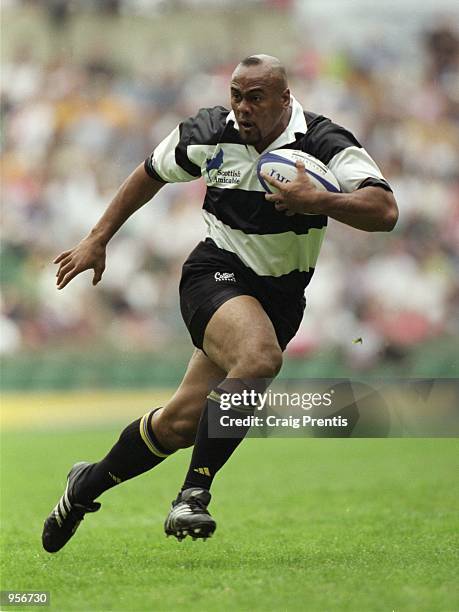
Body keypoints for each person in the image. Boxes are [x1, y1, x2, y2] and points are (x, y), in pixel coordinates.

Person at [42, 54, 398, 552]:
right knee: (260, 357)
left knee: (181, 423)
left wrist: (320, 201)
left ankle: (85, 487)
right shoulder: (208, 131)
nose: (242, 108)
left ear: (284, 99)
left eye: (255, 98)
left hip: (281, 296)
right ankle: (194, 494)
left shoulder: (322, 140)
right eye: (236, 95)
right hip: (214, 273)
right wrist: (97, 238)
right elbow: (149, 172)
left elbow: (384, 211)